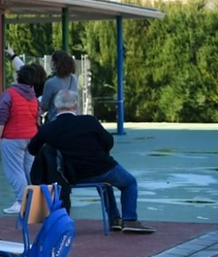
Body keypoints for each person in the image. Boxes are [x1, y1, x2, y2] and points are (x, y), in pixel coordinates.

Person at [27, 89, 154, 234]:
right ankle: (129, 219)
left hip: (70, 176)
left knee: (106, 185)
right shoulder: (89, 121)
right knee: (129, 183)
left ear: (56, 106)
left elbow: (32, 149)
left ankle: (115, 219)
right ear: (75, 105)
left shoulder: (48, 129)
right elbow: (108, 141)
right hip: (101, 168)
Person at [0, 62, 43, 215]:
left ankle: (21, 201)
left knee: (14, 171)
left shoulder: (9, 94)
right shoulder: (33, 96)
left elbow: (2, 115)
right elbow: (37, 117)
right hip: (32, 136)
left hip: (13, 136)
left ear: (17, 77)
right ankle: (34, 201)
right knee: (29, 169)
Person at [40, 51, 80, 123]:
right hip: (74, 119)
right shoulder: (74, 79)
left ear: (55, 63)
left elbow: (44, 106)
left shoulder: (50, 83)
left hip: (56, 120)